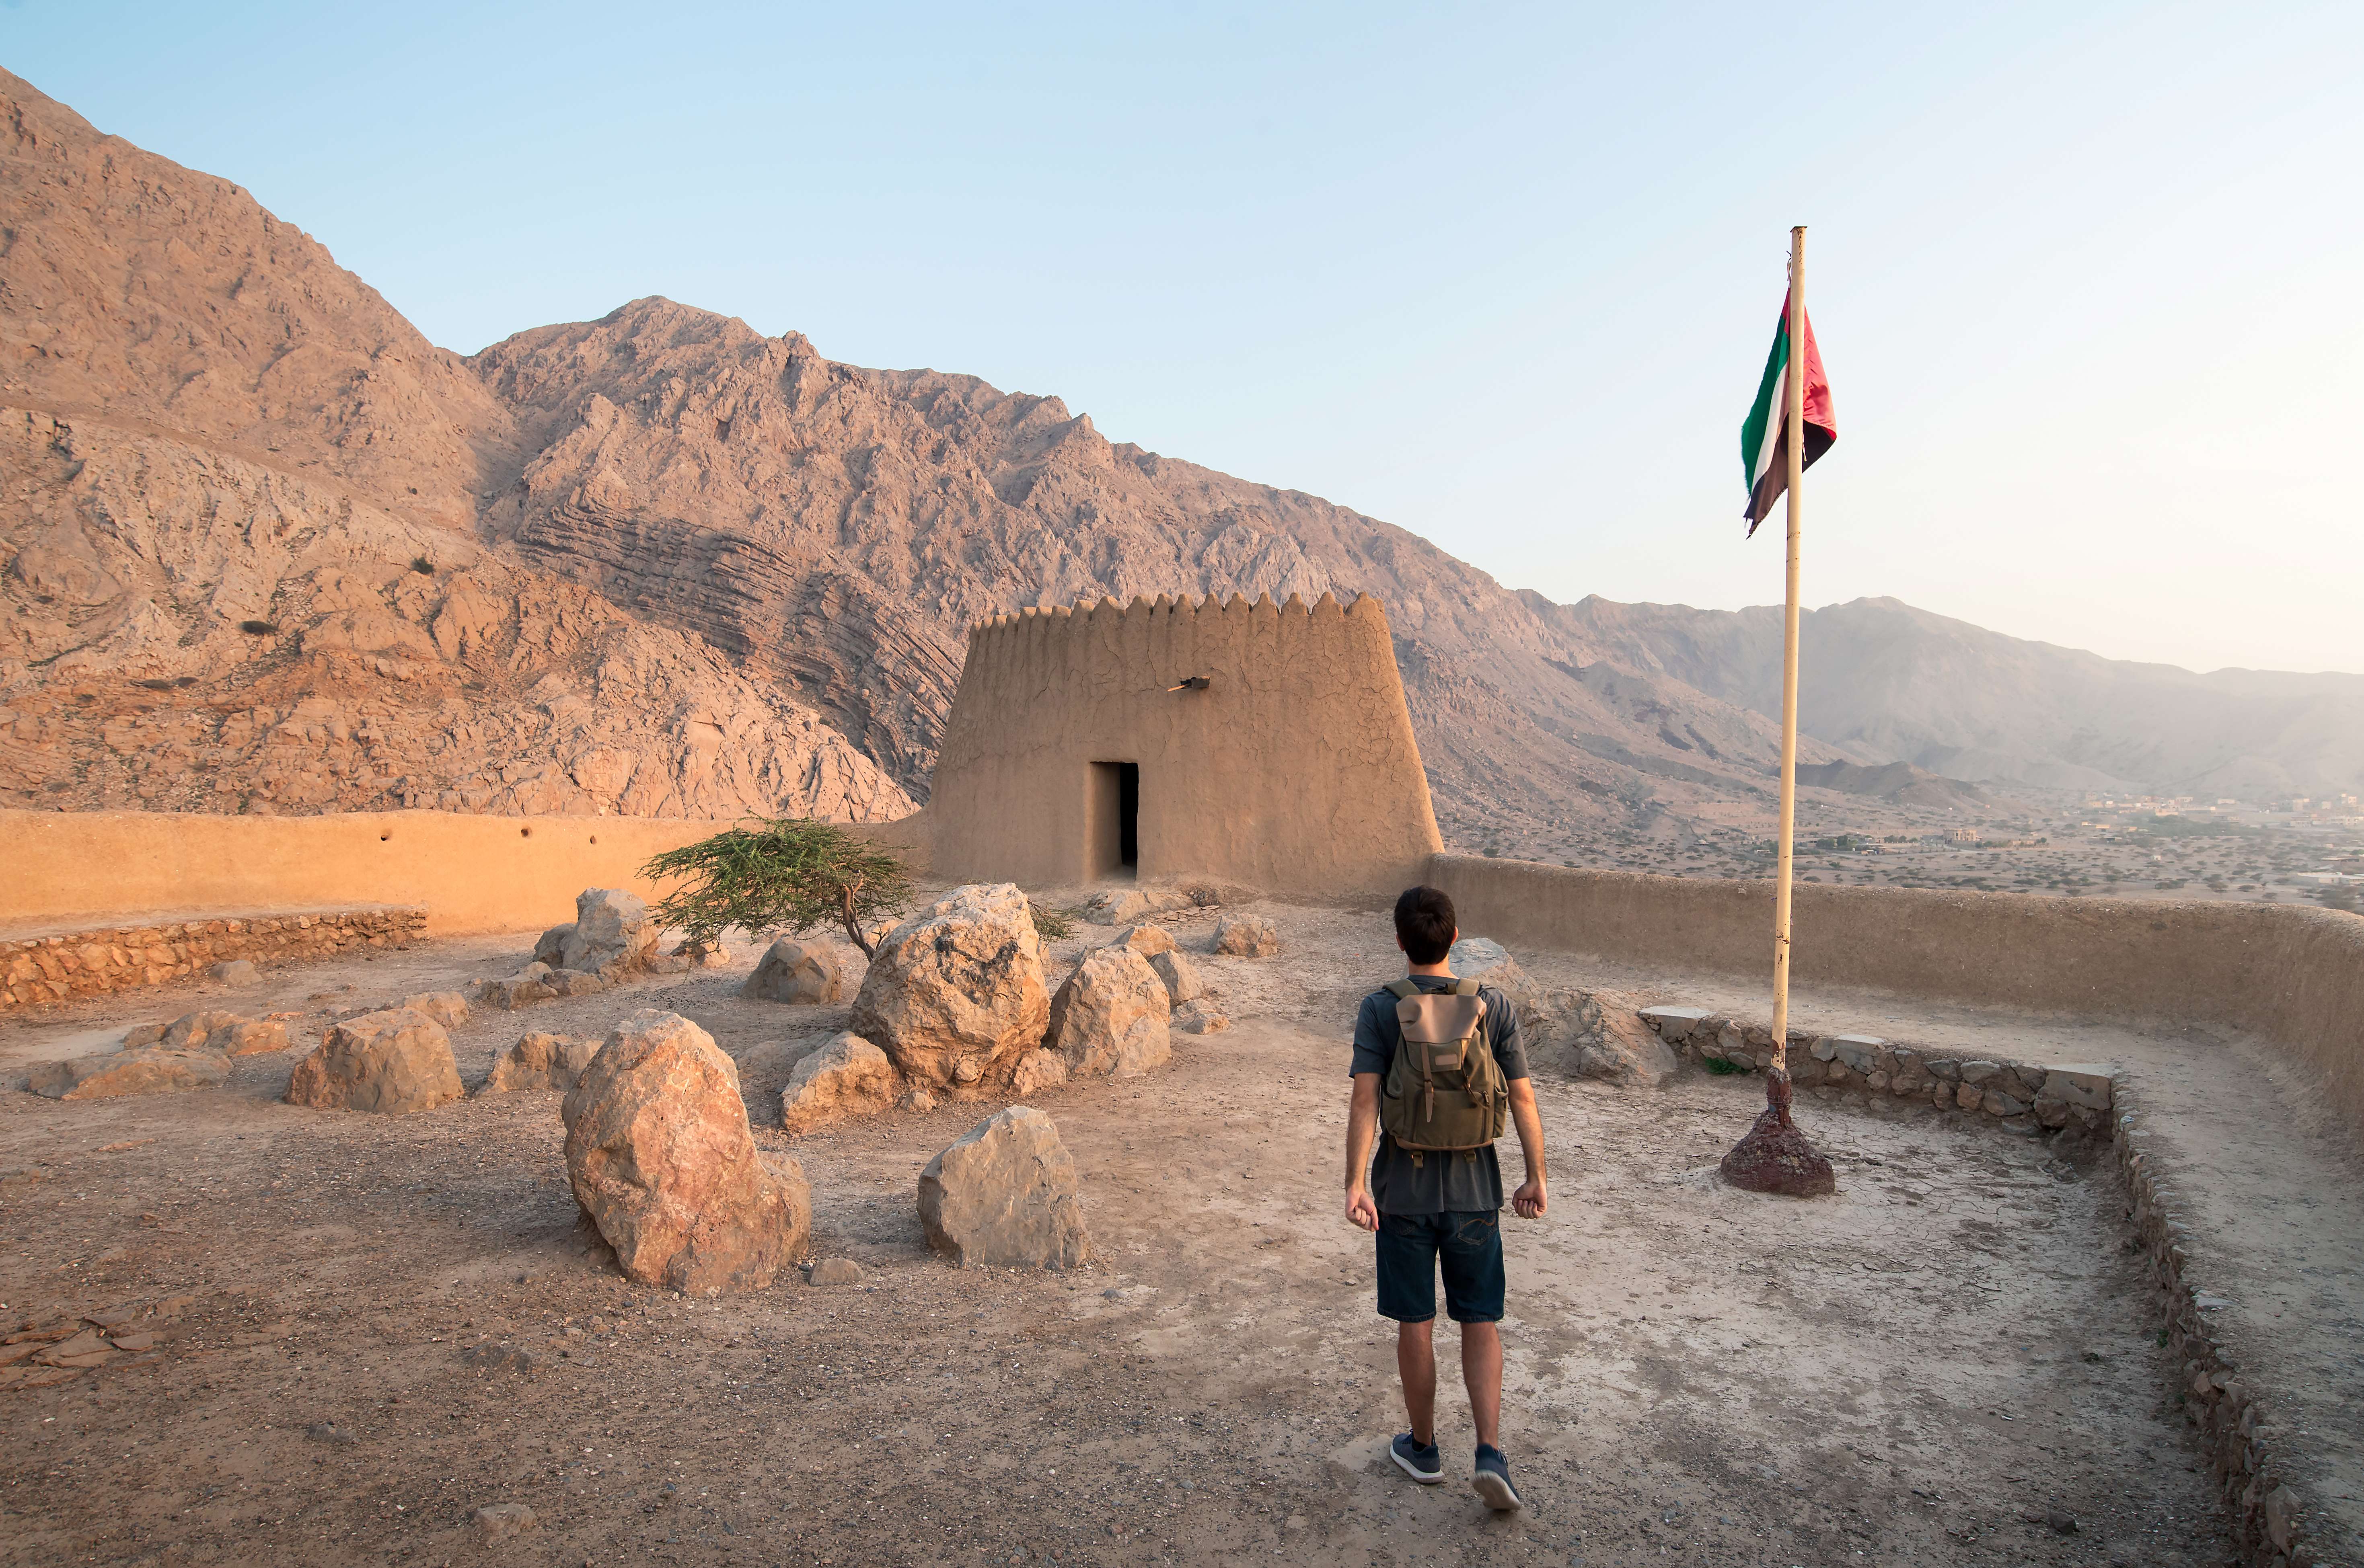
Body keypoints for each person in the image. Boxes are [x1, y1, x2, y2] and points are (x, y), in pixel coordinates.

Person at [1344, 885, 1546, 1512]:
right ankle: (1489, 1450)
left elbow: (1365, 1101)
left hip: (1400, 1191)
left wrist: (1354, 1183)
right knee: (1479, 1318)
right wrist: (1536, 1175)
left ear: (1401, 941)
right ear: (1454, 939)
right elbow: (1521, 1098)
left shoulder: (1381, 1009)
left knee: (1417, 1321)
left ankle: (1424, 1448)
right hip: (1475, 1188)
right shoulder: (1492, 1007)